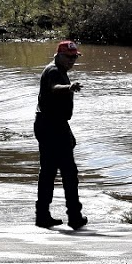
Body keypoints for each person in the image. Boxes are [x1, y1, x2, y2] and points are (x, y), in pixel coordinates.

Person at [34, 40, 87, 230]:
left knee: (51, 172)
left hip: (53, 125)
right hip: (51, 127)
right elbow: (54, 88)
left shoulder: (59, 70)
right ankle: (73, 216)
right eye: (69, 57)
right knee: (67, 173)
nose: (73, 60)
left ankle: (44, 215)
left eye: (75, 57)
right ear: (58, 55)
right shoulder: (54, 71)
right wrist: (70, 88)